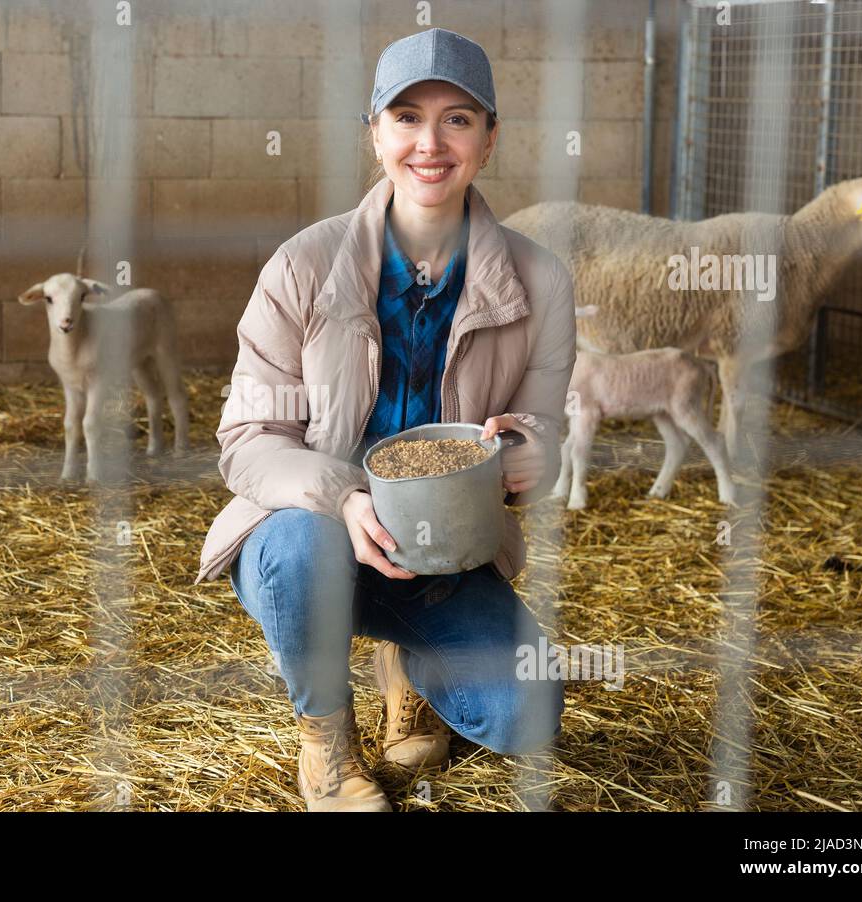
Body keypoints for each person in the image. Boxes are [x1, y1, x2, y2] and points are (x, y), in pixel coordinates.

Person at [195, 28, 578, 811]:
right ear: (375, 134)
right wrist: (343, 497)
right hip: (309, 536)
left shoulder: (542, 281)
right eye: (406, 117)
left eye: (458, 119)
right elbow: (246, 441)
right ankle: (326, 744)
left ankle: (407, 665)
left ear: (490, 136)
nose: (430, 143)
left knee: (526, 713)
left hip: (447, 550)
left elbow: (542, 433)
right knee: (306, 542)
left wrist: (537, 457)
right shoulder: (303, 266)